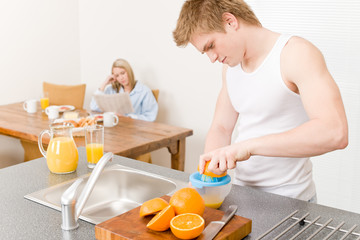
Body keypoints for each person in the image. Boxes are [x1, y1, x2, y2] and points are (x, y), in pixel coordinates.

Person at [173, 0, 348, 202]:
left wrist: (248, 147)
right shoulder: (230, 67)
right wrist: (205, 179)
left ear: (230, 21)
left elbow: (335, 132)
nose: (212, 58)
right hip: (242, 194)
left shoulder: (296, 54)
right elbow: (221, 128)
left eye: (211, 46)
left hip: (291, 200)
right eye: (206, 52)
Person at [90, 58, 158, 122]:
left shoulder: (144, 91)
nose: (121, 78)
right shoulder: (111, 90)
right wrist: (104, 84)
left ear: (129, 71)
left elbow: (150, 117)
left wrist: (129, 117)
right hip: (114, 128)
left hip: (134, 129)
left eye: (123, 73)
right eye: (117, 76)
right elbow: (94, 107)